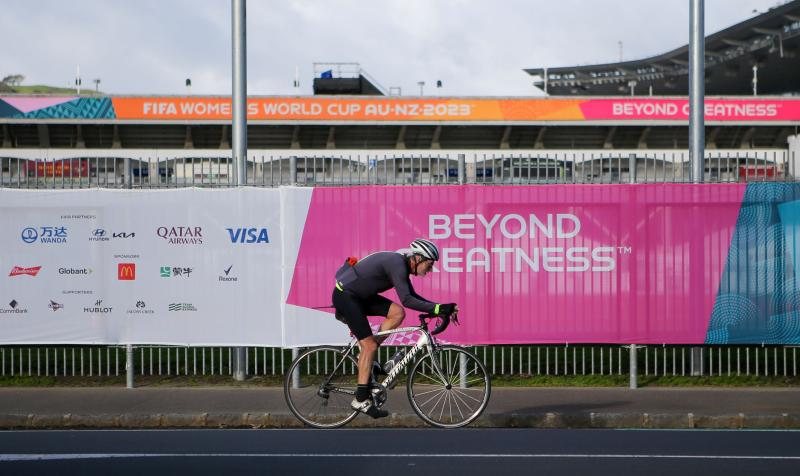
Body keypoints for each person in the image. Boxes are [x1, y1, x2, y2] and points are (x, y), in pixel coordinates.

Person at [332, 238, 457, 418]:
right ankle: (360, 399)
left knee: (397, 313)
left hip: (359, 296)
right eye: (429, 265)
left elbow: (411, 296)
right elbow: (407, 299)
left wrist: (439, 308)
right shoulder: (397, 264)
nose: (430, 270)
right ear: (417, 258)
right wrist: (439, 308)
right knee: (370, 346)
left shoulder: (401, 265)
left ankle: (366, 356)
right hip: (346, 296)